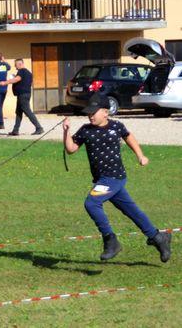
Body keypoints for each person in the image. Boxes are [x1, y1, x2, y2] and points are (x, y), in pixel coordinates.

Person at [63, 94, 171, 262]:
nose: (90, 115)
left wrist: (140, 156)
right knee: (132, 210)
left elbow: (129, 137)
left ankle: (111, 241)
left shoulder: (117, 126)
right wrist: (66, 132)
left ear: (105, 112)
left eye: (94, 112)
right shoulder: (86, 130)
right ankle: (158, 237)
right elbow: (71, 149)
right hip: (103, 180)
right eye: (88, 113)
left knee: (92, 203)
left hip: (114, 177)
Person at [0, 59, 44, 136]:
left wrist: (5, 82)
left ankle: (39, 128)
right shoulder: (29, 73)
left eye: (15, 65)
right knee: (19, 112)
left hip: (23, 95)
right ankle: (15, 130)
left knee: (28, 111)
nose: (15, 67)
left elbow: (17, 79)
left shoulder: (21, 71)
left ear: (20, 64)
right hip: (24, 94)